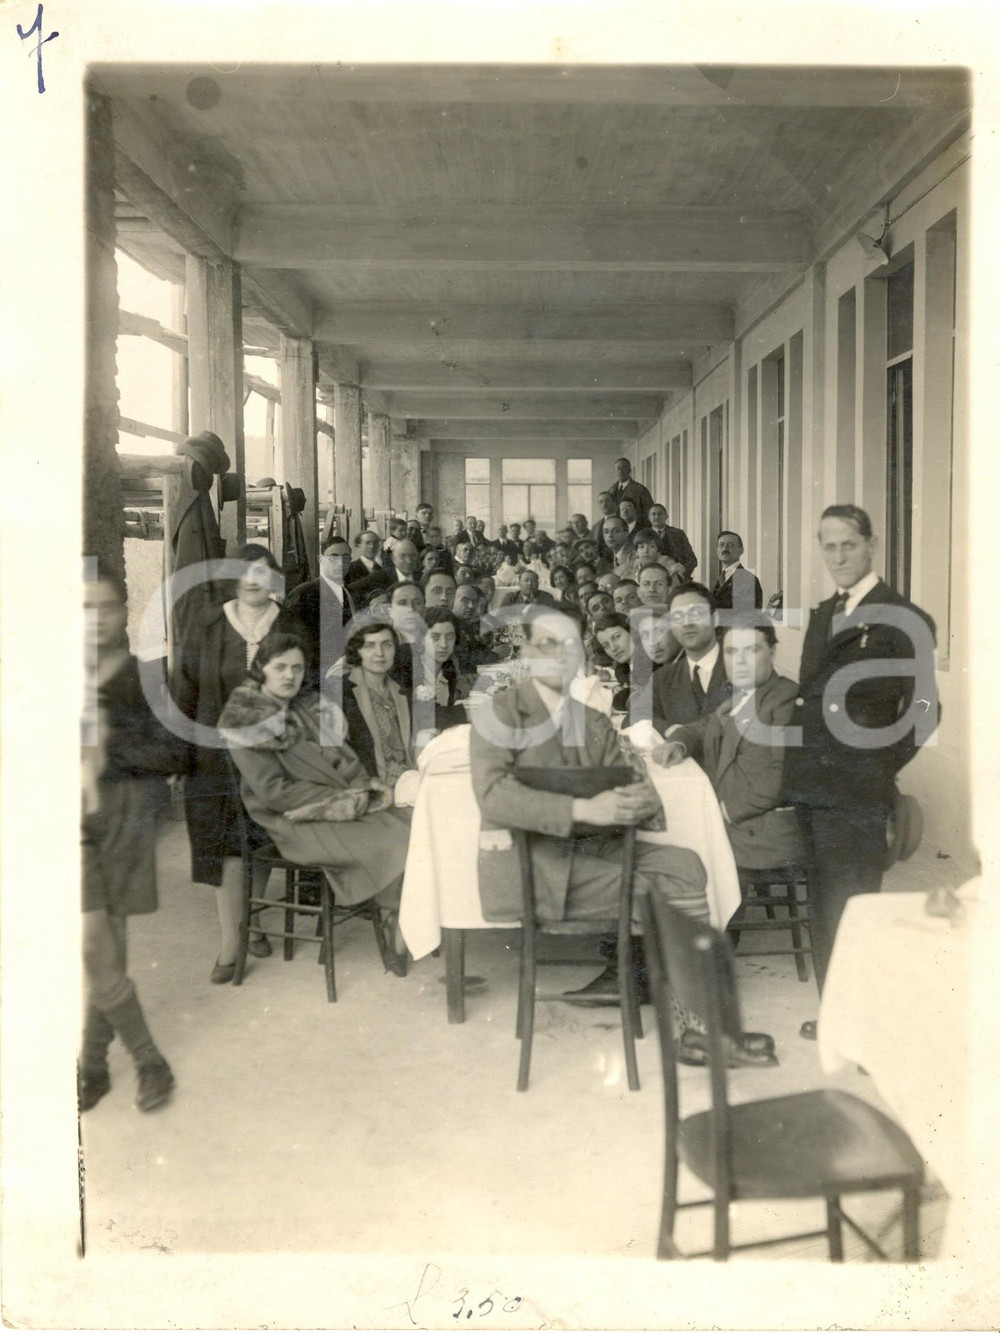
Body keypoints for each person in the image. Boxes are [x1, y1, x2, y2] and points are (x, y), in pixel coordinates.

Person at [783, 505, 938, 1026]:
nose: (838, 556)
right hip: (811, 784)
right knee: (823, 905)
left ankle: (863, 1025)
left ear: (871, 545)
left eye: (848, 544)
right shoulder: (825, 613)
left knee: (855, 908)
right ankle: (836, 1019)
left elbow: (925, 708)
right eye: (828, 546)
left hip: (856, 788)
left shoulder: (903, 618)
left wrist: (880, 765)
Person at [469, 606, 707, 931]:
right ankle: (660, 974)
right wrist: (584, 808)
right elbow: (493, 795)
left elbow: (629, 779)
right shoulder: (499, 713)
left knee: (687, 867)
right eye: (546, 644)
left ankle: (640, 968)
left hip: (592, 848)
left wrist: (637, 799)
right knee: (643, 888)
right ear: (525, 651)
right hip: (530, 860)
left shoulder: (592, 719)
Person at [220, 633, 410, 975]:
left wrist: (359, 788)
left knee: (409, 824)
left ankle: (396, 911)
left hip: (334, 806)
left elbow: (345, 759)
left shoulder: (306, 707)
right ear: (261, 668)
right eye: (280, 667)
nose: (289, 675)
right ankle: (394, 915)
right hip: (292, 819)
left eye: (297, 667)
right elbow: (274, 792)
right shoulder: (245, 719)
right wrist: (343, 799)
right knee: (393, 839)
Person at [79, 568, 189, 1113]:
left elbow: (175, 752)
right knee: (93, 941)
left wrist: (109, 746)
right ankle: (148, 1058)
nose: (94, 618)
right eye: (83, 607)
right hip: (65, 821)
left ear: (123, 611)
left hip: (120, 815)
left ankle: (93, 1062)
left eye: (104, 606)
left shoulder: (142, 677)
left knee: (108, 944)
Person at [172, 543, 306, 982]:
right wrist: (177, 752)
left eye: (264, 573)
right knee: (225, 844)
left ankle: (255, 920)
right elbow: (184, 687)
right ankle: (232, 941)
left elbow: (306, 687)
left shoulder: (290, 625)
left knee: (263, 836)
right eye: (246, 572)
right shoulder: (208, 623)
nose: (254, 581)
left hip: (272, 753)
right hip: (214, 754)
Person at [678, 620, 802, 871]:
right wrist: (677, 744)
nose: (740, 661)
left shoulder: (785, 698)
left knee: (675, 856)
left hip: (759, 830)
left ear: (773, 653)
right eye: (731, 652)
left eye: (752, 650)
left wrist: (723, 811)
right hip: (735, 822)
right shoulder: (740, 697)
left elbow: (785, 774)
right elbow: (702, 728)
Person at [648, 582, 729, 758]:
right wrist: (671, 729)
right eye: (678, 616)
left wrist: (683, 736)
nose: (687, 623)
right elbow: (638, 716)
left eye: (696, 613)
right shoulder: (663, 678)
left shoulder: (744, 668)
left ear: (714, 619)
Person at [338, 621, 417, 789]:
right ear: (356, 651)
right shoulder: (342, 693)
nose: (380, 653)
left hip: (409, 778)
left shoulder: (400, 690)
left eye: (387, 645)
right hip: (372, 785)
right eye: (369, 646)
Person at [285, 535, 357, 685]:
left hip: (348, 678)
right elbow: (293, 643)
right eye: (333, 557)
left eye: (345, 557)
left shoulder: (351, 594)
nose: (340, 563)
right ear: (320, 559)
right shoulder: (304, 594)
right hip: (316, 680)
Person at [415, 607, 469, 732]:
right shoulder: (411, 670)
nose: (444, 645)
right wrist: (467, 713)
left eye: (450, 637)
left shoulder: (448, 671)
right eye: (435, 637)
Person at [591, 610, 634, 711]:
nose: (613, 648)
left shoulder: (655, 665)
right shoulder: (622, 670)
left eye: (616, 637)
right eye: (606, 645)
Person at [712, 530, 764, 611]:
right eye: (721, 545)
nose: (725, 548)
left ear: (741, 550)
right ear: (717, 550)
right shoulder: (721, 578)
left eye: (731, 545)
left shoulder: (748, 579)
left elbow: (747, 617)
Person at [648, 503, 698, 578]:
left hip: (674, 578)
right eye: (653, 514)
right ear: (649, 517)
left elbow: (691, 559)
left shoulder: (678, 534)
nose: (656, 516)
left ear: (666, 516)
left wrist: (681, 575)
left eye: (660, 514)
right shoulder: (643, 535)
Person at [607, 457, 654, 525]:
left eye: (624, 468)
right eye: (618, 468)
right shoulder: (611, 490)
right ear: (615, 471)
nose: (621, 471)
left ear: (629, 470)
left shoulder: (640, 490)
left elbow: (649, 512)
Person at [603, 515, 637, 580]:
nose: (610, 535)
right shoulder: (610, 559)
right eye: (606, 532)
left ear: (626, 533)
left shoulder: (635, 554)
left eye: (616, 531)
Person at [590, 491, 619, 558]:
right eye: (601, 502)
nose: (604, 504)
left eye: (607, 501)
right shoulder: (596, 527)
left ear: (614, 502)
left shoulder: (622, 521)